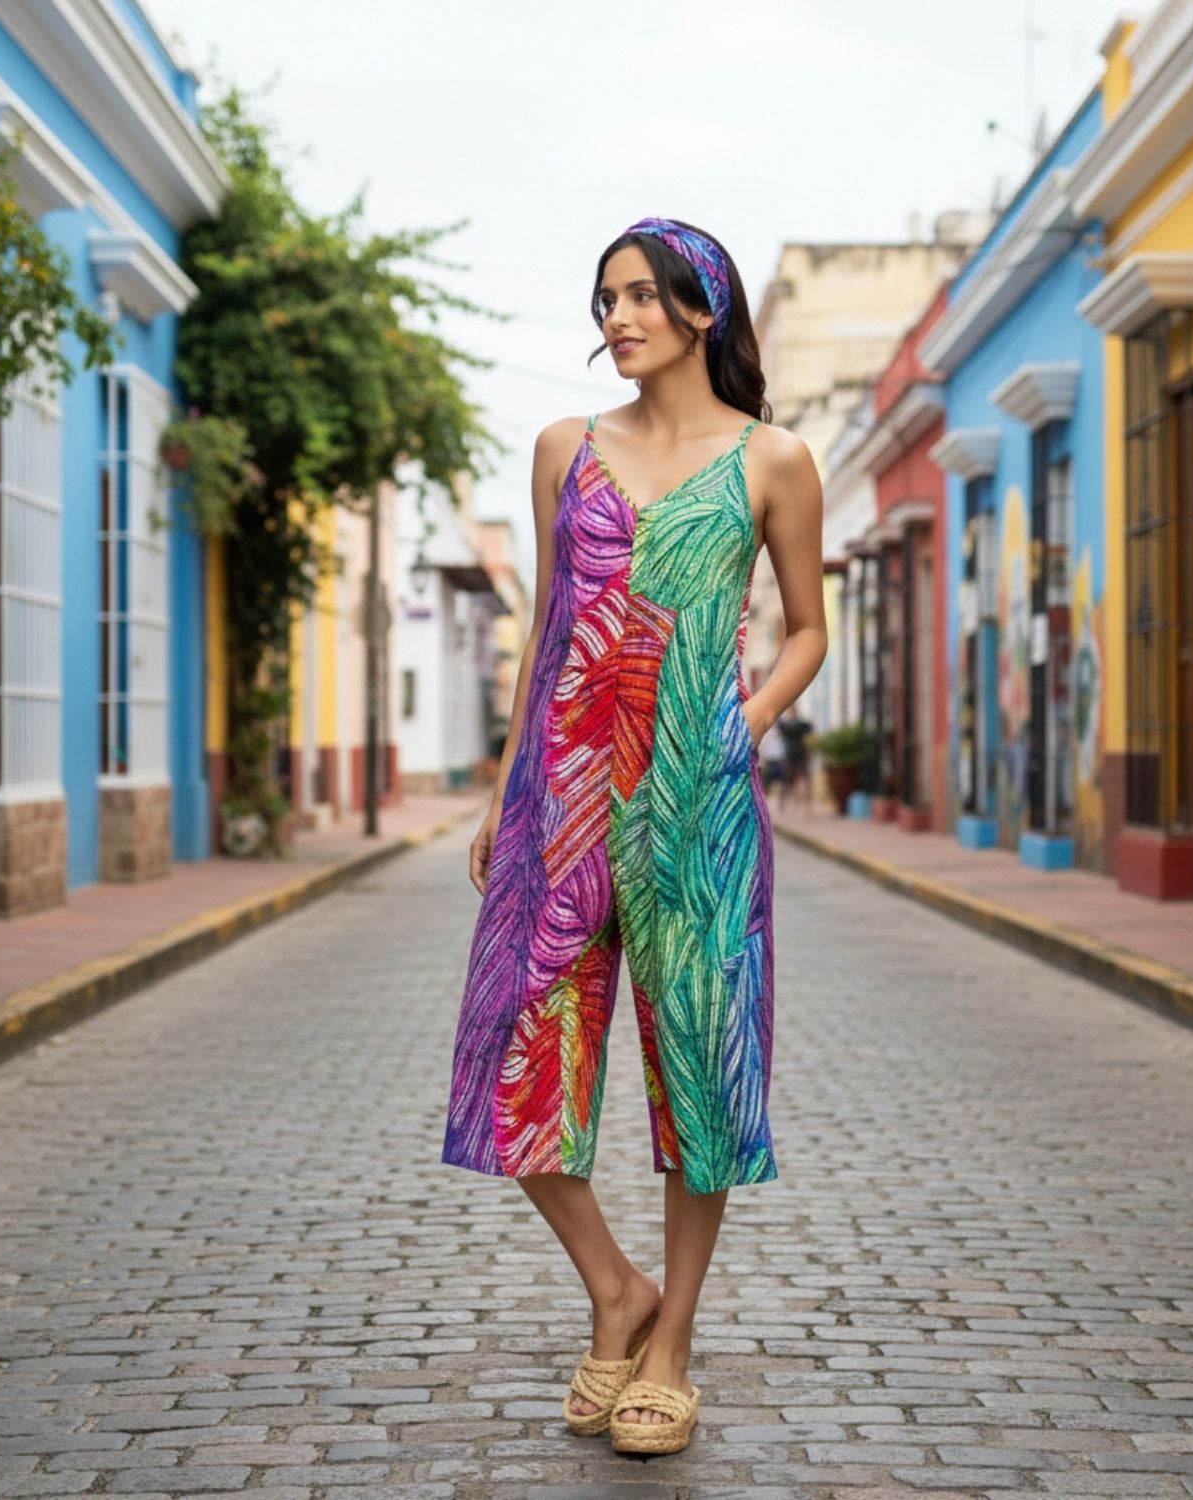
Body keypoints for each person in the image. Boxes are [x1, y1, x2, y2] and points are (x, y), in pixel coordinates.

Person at [439, 217, 827, 1455]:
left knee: (701, 1067)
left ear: (702, 309)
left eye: (642, 296)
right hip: (560, 798)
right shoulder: (566, 449)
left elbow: (808, 629)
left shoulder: (774, 461)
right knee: (512, 1055)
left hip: (697, 806)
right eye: (606, 298)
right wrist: (505, 793)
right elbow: (552, 629)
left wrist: (739, 723)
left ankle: (671, 1346)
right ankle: (616, 1289)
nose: (617, 317)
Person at [778, 711, 814, 811]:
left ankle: (806, 804)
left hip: (799, 754)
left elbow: (809, 728)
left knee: (804, 778)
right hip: (791, 755)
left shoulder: (800, 724)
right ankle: (795, 803)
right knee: (789, 780)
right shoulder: (786, 725)